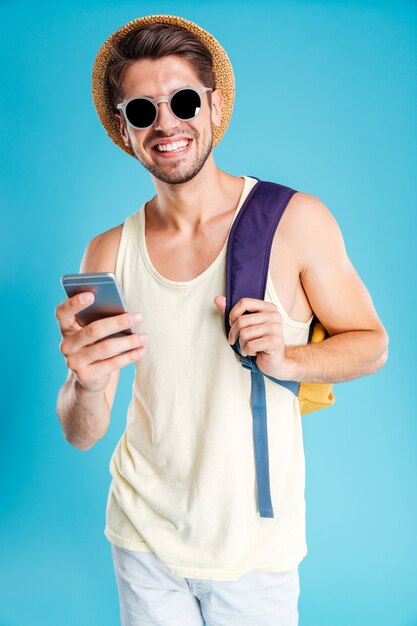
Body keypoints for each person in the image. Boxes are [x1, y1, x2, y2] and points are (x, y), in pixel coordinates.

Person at [55, 14, 389, 626]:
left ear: (211, 106)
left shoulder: (294, 221)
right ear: (125, 131)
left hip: (254, 549)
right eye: (142, 111)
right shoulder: (107, 255)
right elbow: (82, 432)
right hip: (142, 535)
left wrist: (290, 359)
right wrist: (85, 383)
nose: (166, 125)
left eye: (182, 101)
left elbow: (372, 345)